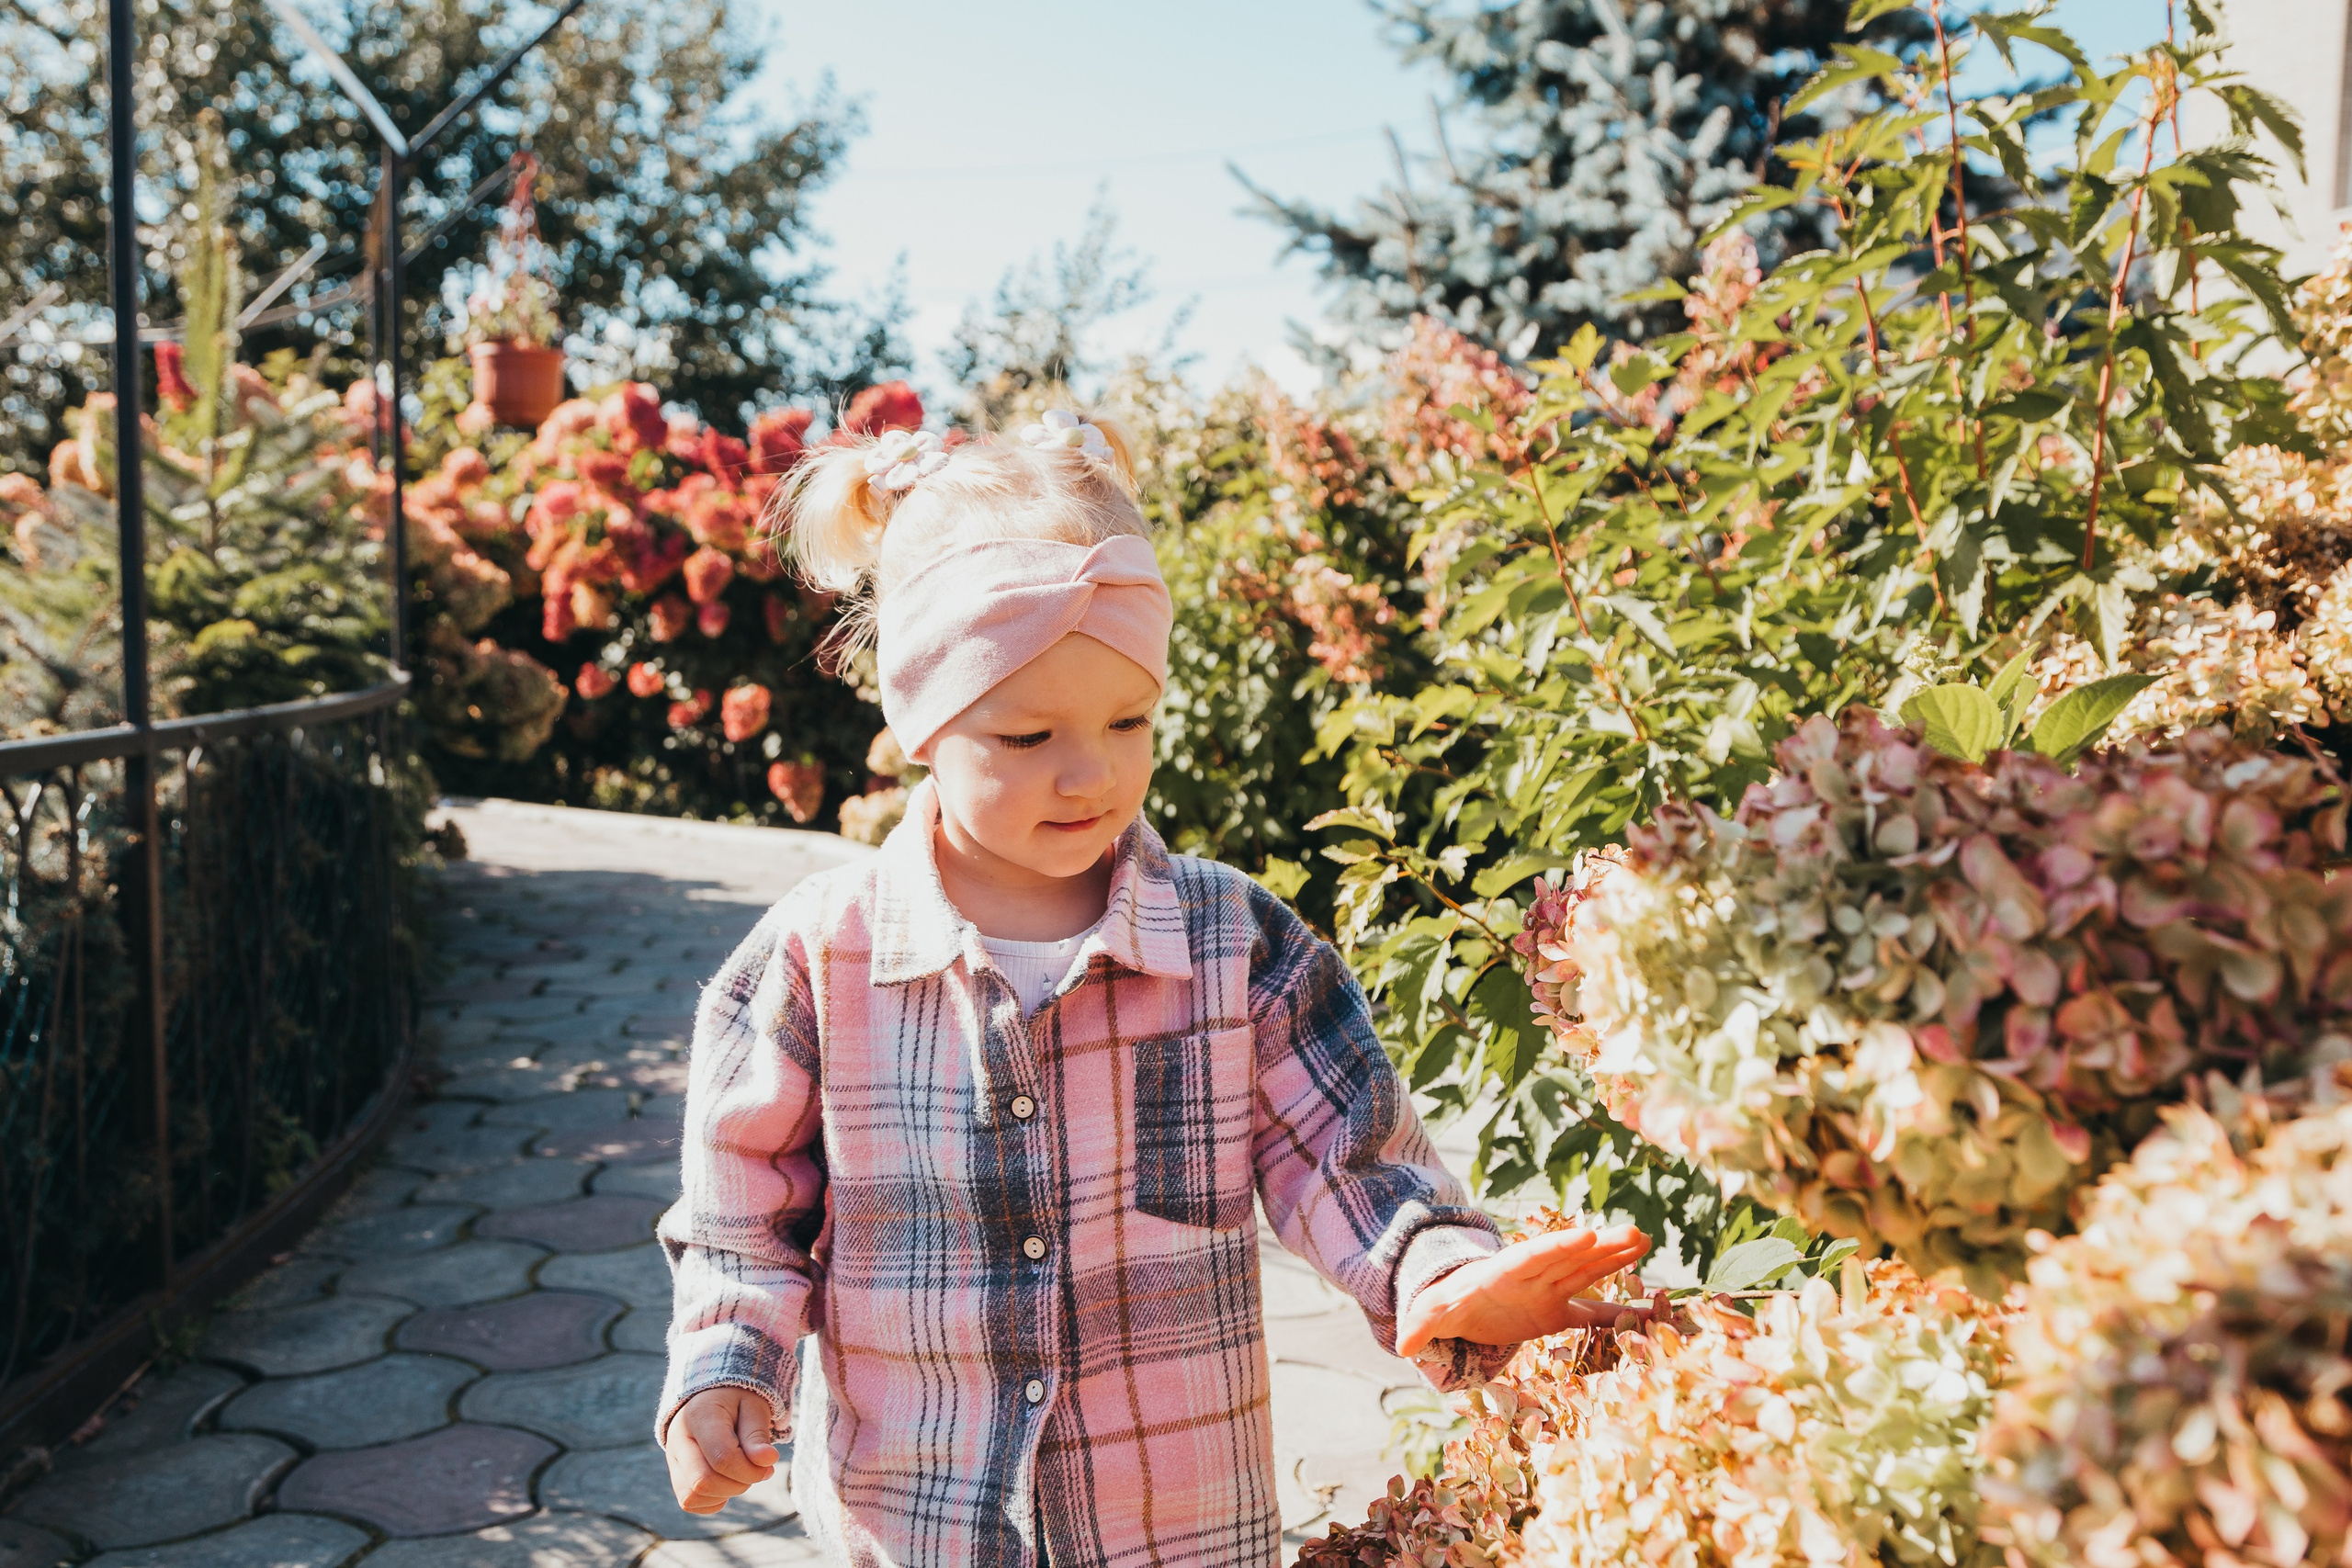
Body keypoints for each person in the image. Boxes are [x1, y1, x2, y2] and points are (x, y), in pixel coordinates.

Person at [654, 409, 1654, 1566]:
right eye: (1027, 736)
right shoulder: (813, 962)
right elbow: (743, 1217)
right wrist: (728, 1367)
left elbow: (1350, 1159)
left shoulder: (1235, 947)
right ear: (923, 722)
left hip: (1174, 1531)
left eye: (1128, 720)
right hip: (918, 1524)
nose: (1091, 772)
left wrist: (1444, 1274)